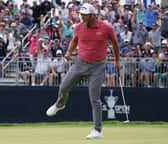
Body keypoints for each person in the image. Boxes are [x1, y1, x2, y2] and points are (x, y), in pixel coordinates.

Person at [46, 3, 120, 139]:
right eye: (81, 14)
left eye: (85, 15)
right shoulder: (79, 27)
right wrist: (68, 52)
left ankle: (97, 130)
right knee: (64, 87)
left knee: (95, 98)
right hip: (80, 62)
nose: (82, 17)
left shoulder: (106, 28)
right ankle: (60, 104)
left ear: (93, 15)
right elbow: (75, 40)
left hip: (98, 66)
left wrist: (117, 61)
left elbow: (115, 43)